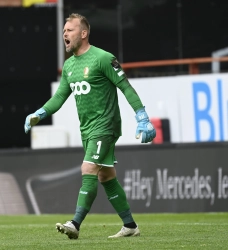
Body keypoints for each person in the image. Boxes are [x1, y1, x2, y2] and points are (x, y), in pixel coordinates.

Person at [24, 13, 156, 239]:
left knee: (88, 169)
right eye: (64, 30)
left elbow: (125, 87)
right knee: (106, 176)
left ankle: (75, 223)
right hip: (87, 129)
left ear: (83, 34)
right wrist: (39, 113)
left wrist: (142, 116)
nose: (65, 33)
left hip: (105, 126)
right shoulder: (69, 66)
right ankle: (130, 226)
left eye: (70, 30)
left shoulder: (103, 58)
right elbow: (59, 98)